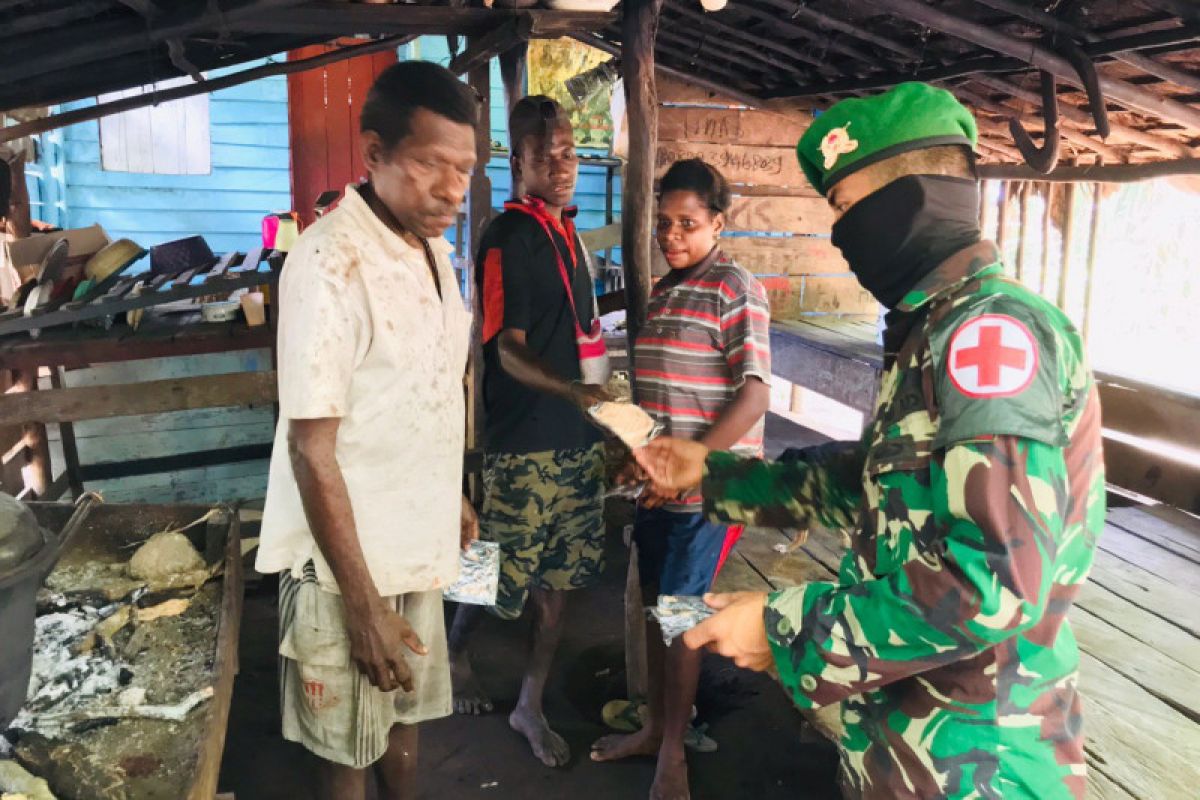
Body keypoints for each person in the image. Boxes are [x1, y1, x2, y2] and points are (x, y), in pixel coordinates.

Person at [637, 82, 1105, 800]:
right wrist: (715, 475)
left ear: (910, 203)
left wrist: (786, 629)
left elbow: (992, 585)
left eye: (846, 208)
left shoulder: (991, 339)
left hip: (978, 765)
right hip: (907, 749)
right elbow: (872, 483)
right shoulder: (933, 335)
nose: (839, 236)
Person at [255, 60, 479, 800]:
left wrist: (448, 494)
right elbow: (310, 447)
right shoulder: (330, 261)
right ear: (374, 153)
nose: (452, 189)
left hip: (412, 541)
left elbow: (429, 381)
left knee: (405, 708)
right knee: (346, 751)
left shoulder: (432, 248)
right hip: (342, 567)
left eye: (465, 169)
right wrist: (362, 606)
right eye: (429, 165)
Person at [589, 158, 770, 800]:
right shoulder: (665, 293)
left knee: (680, 616)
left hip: (711, 488)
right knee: (652, 608)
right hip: (658, 483)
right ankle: (654, 728)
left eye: (688, 224)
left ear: (718, 223)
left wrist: (693, 462)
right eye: (664, 224)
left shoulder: (735, 287)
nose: (672, 236)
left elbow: (752, 395)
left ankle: (673, 754)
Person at [448, 96, 610, 767]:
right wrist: (571, 387)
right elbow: (505, 349)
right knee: (490, 570)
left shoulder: (568, 233)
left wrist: (599, 405)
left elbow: (580, 336)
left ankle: (529, 704)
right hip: (522, 443)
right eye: (548, 153)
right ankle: (455, 654)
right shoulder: (506, 238)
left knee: (559, 584)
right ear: (517, 160)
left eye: (571, 151)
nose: (564, 164)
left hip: (578, 440)